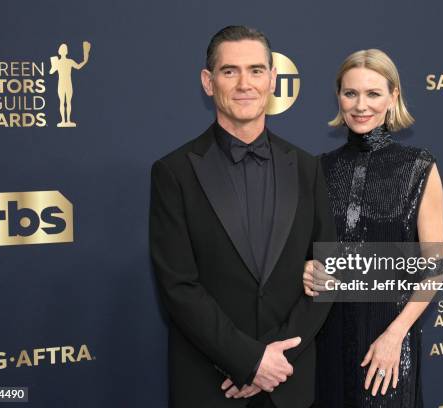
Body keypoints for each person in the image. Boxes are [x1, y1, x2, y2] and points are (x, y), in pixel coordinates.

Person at [149, 26, 336, 408]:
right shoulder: (174, 172)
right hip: (210, 384)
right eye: (229, 71)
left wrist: (275, 362)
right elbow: (179, 287)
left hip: (289, 383)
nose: (244, 83)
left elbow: (327, 272)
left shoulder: (306, 167)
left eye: (255, 70)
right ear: (208, 81)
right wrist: (249, 361)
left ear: (272, 79)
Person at [303, 49, 443, 407]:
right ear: (338, 97)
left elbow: (434, 270)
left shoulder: (419, 168)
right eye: (351, 93)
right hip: (327, 340)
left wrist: (394, 336)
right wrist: (305, 269)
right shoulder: (319, 169)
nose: (360, 105)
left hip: (389, 343)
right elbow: (305, 251)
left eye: (373, 93)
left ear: (393, 96)